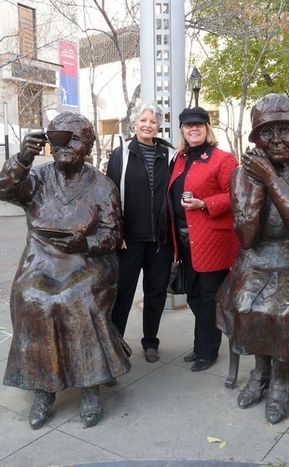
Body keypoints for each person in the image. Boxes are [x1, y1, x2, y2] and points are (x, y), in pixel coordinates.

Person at [0, 112, 131, 429]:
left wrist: (84, 244)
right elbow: (4, 190)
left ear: (88, 144)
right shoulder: (39, 179)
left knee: (76, 299)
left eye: (74, 138)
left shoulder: (102, 186)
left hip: (88, 262)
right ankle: (43, 388)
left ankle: (90, 385)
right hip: (42, 259)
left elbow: (113, 235)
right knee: (31, 299)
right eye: (58, 138)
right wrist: (22, 158)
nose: (65, 146)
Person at [216, 93, 289, 424]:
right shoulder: (242, 176)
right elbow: (247, 237)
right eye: (267, 132)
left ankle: (280, 382)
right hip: (256, 259)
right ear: (256, 140)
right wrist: (255, 181)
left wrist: (271, 178)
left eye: (284, 130)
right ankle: (260, 372)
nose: (277, 139)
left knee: (284, 308)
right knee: (243, 302)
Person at [167, 107, 240, 372]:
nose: (193, 129)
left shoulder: (223, 159)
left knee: (209, 297)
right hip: (186, 242)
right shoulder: (180, 159)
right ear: (182, 131)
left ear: (207, 128)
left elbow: (235, 195)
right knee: (195, 296)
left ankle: (208, 352)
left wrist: (204, 203)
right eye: (188, 126)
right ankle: (202, 345)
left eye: (198, 125)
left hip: (212, 241)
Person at [107, 102, 175, 363]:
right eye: (143, 120)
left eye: (153, 121)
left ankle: (150, 342)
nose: (148, 125)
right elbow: (110, 196)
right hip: (129, 239)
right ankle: (115, 345)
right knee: (122, 293)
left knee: (156, 292)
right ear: (134, 123)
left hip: (160, 239)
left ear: (158, 126)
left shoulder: (169, 155)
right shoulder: (120, 154)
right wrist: (117, 232)